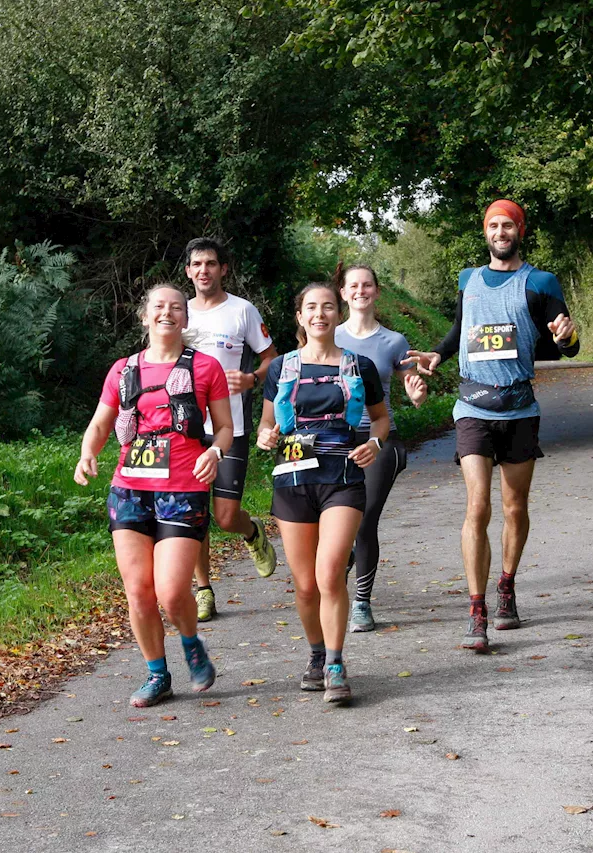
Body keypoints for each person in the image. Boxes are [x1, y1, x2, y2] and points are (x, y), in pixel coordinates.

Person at [403, 199, 580, 652]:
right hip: (473, 408)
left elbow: (564, 346)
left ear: (520, 230)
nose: (500, 232)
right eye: (493, 226)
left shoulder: (540, 281)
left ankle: (506, 585)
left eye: (508, 225)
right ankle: (476, 608)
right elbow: (462, 328)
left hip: (519, 409)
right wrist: (437, 354)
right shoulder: (468, 279)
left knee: (514, 507)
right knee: (477, 506)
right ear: (485, 232)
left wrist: (567, 335)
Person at [74, 284, 233, 707]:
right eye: (159, 307)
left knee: (169, 590)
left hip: (184, 488)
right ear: (145, 317)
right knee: (138, 592)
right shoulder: (123, 369)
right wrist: (87, 454)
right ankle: (157, 674)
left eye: (176, 307)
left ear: (185, 318)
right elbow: (100, 424)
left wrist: (216, 451)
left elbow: (225, 429)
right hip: (129, 490)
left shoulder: (206, 368)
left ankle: (190, 640)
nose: (167, 313)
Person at [254, 282, 389, 703]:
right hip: (293, 480)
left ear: (338, 312)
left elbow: (380, 419)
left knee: (329, 572)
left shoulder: (359, 365)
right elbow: (266, 426)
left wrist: (375, 443)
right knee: (305, 583)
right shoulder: (281, 368)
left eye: (327, 307)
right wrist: (265, 438)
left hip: (343, 477)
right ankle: (315, 654)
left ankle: (334, 663)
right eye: (311, 308)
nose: (319, 314)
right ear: (300, 316)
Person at [183, 237, 279, 622]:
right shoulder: (179, 312)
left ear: (223, 269)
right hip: (186, 428)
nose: (204, 270)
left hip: (230, 427)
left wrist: (252, 379)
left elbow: (271, 358)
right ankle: (203, 590)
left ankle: (252, 531)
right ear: (188, 271)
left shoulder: (242, 311)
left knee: (224, 516)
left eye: (211, 263)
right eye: (197, 264)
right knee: (194, 515)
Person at [334, 263, 427, 632]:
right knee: (339, 518)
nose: (360, 291)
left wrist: (415, 391)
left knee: (364, 516)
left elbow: (410, 380)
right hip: (333, 439)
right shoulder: (327, 335)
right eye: (353, 286)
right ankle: (348, 557)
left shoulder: (394, 341)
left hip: (378, 437)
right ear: (343, 293)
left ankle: (361, 603)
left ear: (377, 291)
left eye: (367, 285)